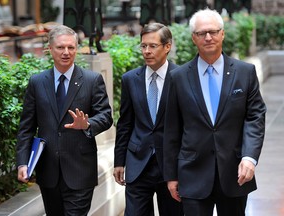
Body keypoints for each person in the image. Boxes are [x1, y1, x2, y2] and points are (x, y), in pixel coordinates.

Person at [163, 8, 266, 216]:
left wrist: (249, 157)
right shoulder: (178, 78)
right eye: (201, 33)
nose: (208, 37)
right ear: (193, 38)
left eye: (213, 31)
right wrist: (171, 176)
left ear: (223, 33)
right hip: (192, 174)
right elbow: (172, 129)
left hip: (234, 172)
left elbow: (255, 116)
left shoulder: (244, 72)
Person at [16, 25, 113, 216]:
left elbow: (106, 116)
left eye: (71, 47)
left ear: (77, 49)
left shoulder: (92, 80)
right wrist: (22, 162)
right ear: (50, 49)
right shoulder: (37, 82)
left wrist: (87, 125)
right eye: (60, 47)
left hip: (80, 170)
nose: (66, 52)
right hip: (48, 172)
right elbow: (26, 127)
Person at [113, 23, 183, 216]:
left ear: (167, 46)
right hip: (138, 164)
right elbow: (125, 123)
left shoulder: (181, 77)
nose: (147, 51)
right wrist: (119, 161)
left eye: (153, 46)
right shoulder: (130, 79)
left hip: (170, 166)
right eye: (143, 46)